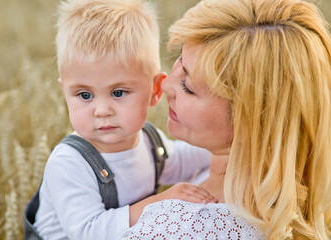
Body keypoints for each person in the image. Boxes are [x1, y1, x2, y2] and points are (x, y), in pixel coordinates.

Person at [118, 0, 331, 239]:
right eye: (180, 59)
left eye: (188, 87)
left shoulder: (177, 228)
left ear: (249, 123)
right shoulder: (309, 203)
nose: (165, 84)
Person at [32, 0, 216, 239]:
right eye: (84, 95)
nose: (101, 110)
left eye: (118, 93)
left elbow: (183, 160)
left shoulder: (148, 141)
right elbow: (90, 231)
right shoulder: (69, 163)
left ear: (155, 91)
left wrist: (238, 149)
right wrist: (162, 203)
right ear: (64, 91)